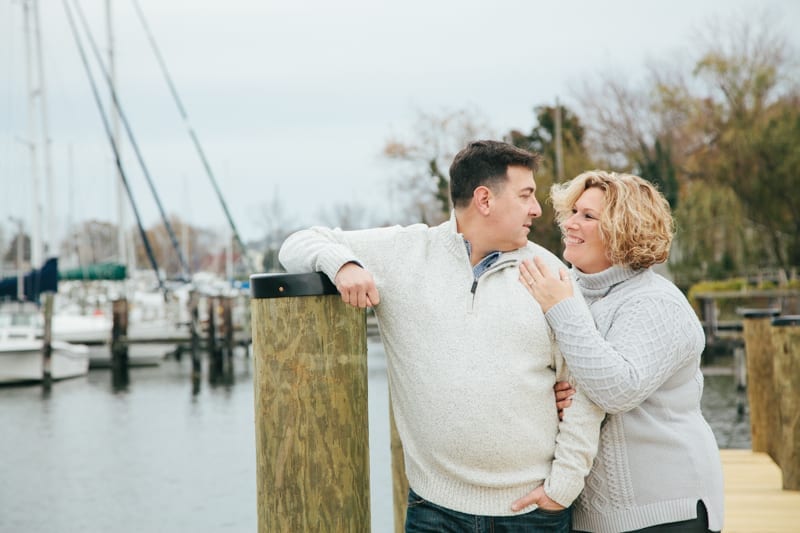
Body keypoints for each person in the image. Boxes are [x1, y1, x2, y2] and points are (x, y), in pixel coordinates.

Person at [279, 140, 604, 532]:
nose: (536, 209)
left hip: (533, 514)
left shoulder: (550, 273)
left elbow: (585, 388)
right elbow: (297, 243)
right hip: (436, 511)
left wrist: (562, 489)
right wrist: (343, 264)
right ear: (484, 199)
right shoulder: (406, 253)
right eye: (525, 195)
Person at [518, 170, 724, 533]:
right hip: (589, 516)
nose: (570, 224)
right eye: (572, 212)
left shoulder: (655, 302)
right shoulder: (566, 291)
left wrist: (561, 310)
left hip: (665, 512)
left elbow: (617, 389)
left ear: (623, 229)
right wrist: (545, 393)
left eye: (588, 216)